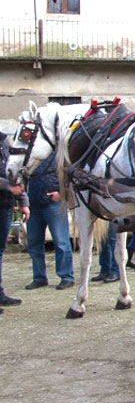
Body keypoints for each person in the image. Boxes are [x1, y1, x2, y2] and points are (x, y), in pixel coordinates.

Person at [23, 152, 74, 290]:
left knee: (61, 241)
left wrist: (61, 192)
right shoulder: (30, 152)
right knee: (34, 243)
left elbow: (69, 172)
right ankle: (39, 277)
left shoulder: (58, 151)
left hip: (53, 202)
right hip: (33, 202)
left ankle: (66, 276)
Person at [0, 130, 29, 312]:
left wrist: (23, 202)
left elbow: (16, 173)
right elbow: (10, 182)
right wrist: (7, 186)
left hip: (5, 205)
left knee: (0, 250)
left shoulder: (5, 142)